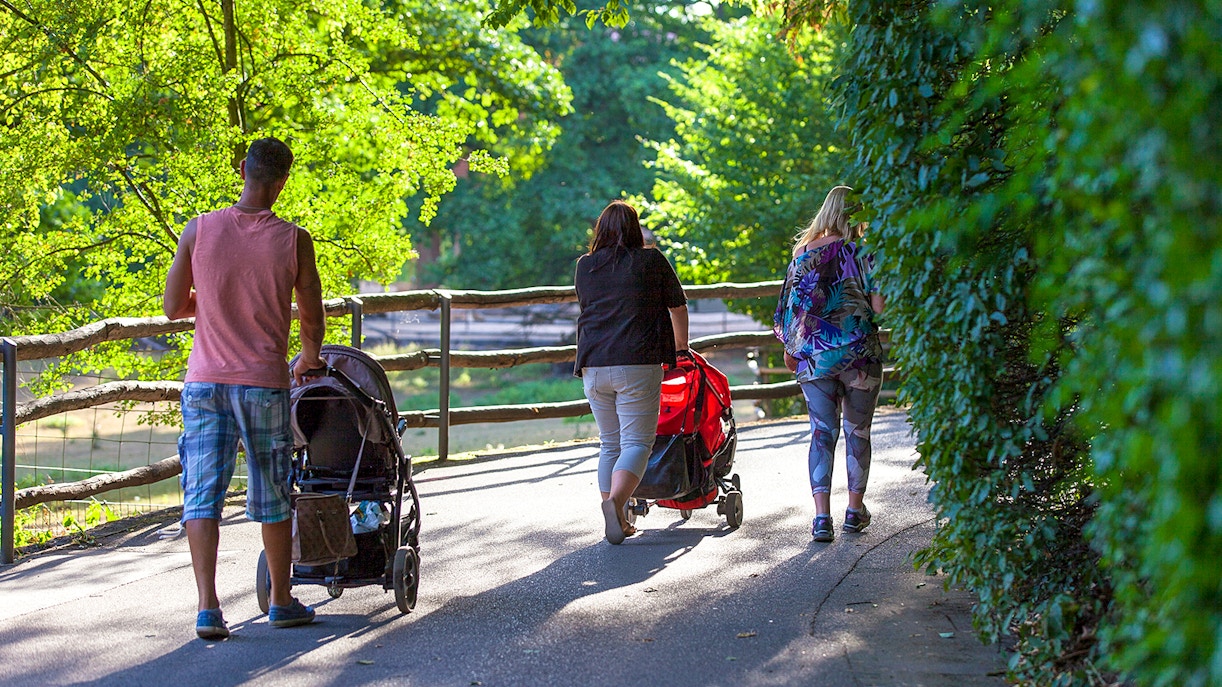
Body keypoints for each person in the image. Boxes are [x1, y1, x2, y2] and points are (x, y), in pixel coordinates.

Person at [164, 137, 327, 639]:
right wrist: (309, 357)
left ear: (241, 170)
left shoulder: (200, 229)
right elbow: (312, 316)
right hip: (262, 383)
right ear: (282, 182)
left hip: (205, 383)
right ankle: (280, 600)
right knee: (275, 492)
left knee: (202, 495)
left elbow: (173, 306)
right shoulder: (294, 239)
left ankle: (208, 608)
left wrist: (210, 306)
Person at [773, 186, 885, 542]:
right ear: (856, 216)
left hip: (815, 359)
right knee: (858, 433)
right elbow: (881, 308)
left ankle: (822, 519)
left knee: (821, 435)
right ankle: (854, 512)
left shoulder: (801, 254)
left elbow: (789, 313)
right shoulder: (865, 252)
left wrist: (792, 350)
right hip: (860, 356)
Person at [575, 200, 689, 545]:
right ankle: (616, 503)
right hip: (637, 363)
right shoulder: (650, 260)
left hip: (593, 364)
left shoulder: (585, 266)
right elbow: (678, 305)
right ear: (635, 228)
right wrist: (681, 347)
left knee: (610, 443)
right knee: (638, 442)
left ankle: (619, 516)